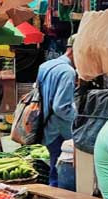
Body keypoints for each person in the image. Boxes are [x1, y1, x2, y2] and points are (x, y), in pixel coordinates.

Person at [38, 35, 77, 187]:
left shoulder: (46, 65)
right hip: (60, 130)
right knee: (60, 172)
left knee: (54, 165)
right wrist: (78, 119)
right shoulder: (68, 72)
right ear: (75, 51)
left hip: (46, 126)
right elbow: (61, 107)